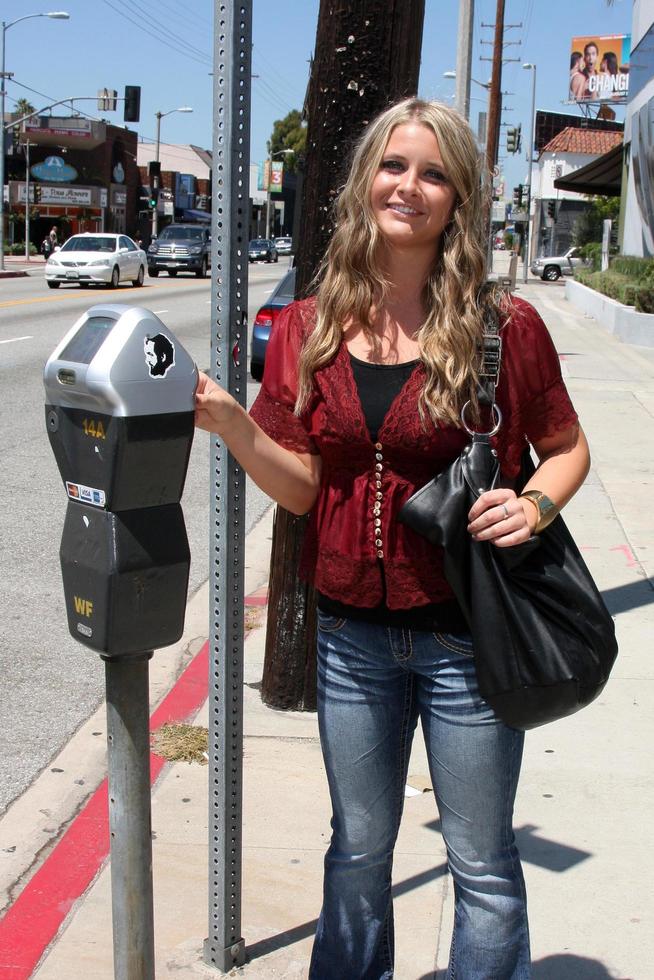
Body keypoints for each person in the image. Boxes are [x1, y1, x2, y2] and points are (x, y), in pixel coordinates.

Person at [194, 98, 590, 979]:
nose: (409, 186)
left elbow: (565, 449)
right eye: (395, 165)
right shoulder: (307, 327)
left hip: (467, 635)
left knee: (481, 862)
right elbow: (301, 489)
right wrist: (233, 427)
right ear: (366, 180)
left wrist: (535, 506)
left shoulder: (502, 327)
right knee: (358, 853)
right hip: (349, 639)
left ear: (459, 199)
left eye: (435, 172)